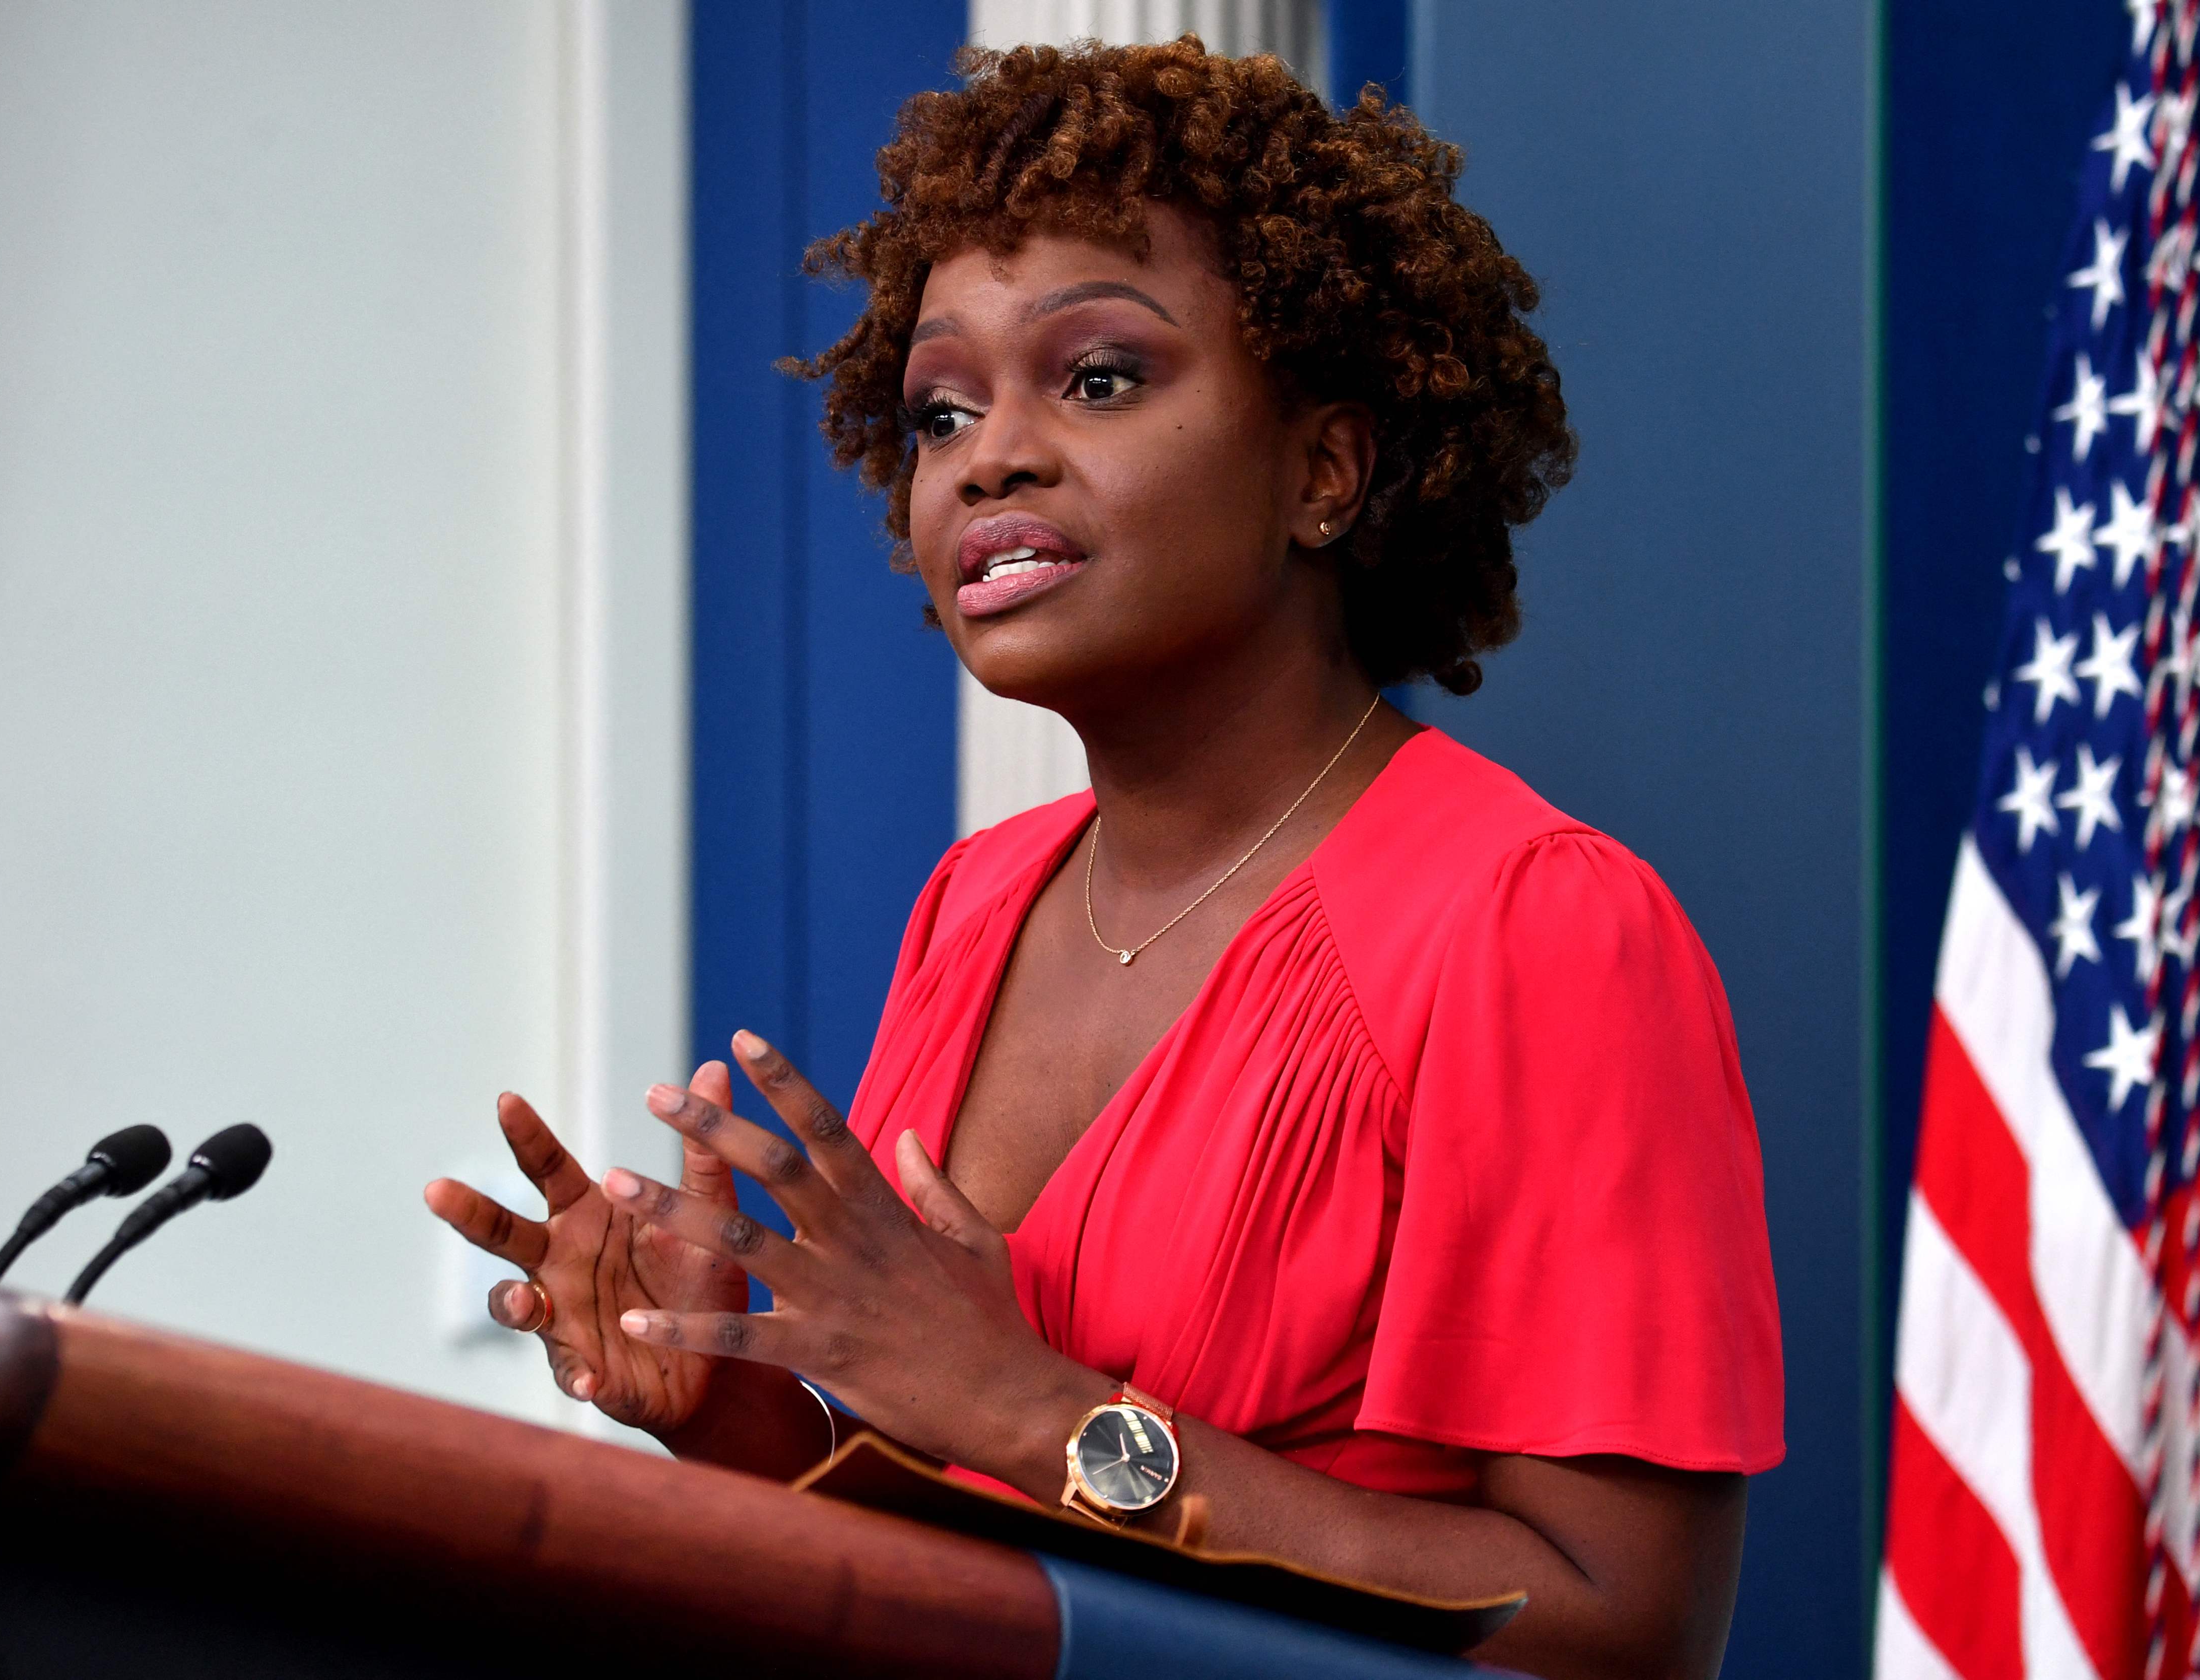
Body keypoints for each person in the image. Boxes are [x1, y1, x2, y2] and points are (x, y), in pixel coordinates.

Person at [425, 38, 1782, 1680]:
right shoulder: (976, 900)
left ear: (1322, 469)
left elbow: (1615, 1635)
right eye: (942, 408)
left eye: (1100, 377)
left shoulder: (1533, 926)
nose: (990, 454)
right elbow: (984, 1548)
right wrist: (726, 1402)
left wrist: (1038, 1407)